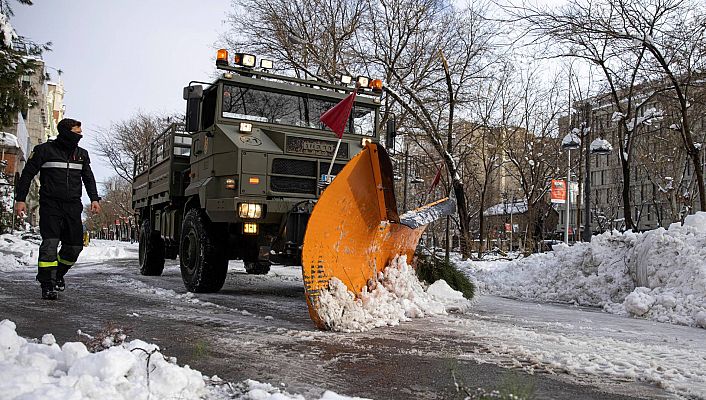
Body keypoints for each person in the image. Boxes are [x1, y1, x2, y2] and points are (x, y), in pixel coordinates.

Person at [15, 118, 101, 300]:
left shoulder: (81, 154)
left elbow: (89, 178)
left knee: (74, 247)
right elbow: (27, 175)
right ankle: (47, 284)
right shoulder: (44, 151)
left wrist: (94, 199)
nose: (80, 136)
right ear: (66, 132)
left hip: (72, 206)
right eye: (77, 132)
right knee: (50, 245)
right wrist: (20, 199)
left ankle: (58, 274)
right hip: (50, 205)